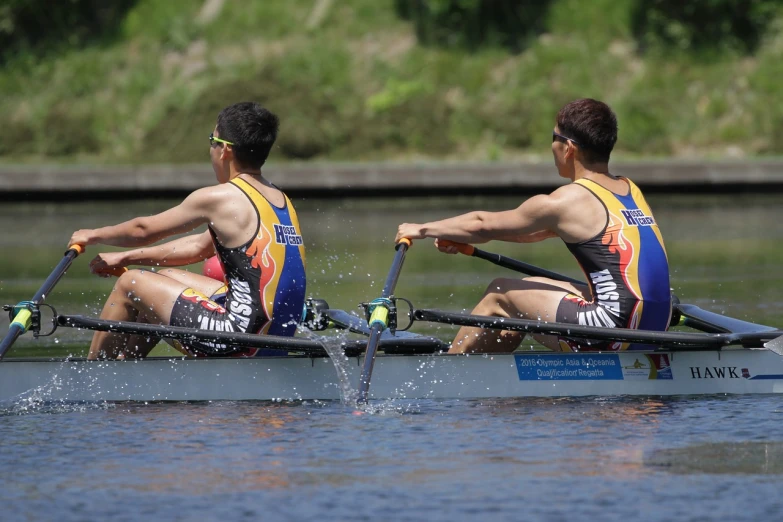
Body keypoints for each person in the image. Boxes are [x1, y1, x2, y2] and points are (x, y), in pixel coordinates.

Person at [395, 98, 671, 353]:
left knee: (500, 292)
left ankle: (450, 374)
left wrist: (422, 229)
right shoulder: (628, 188)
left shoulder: (566, 200)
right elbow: (533, 232)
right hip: (657, 322)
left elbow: (483, 225)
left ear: (568, 148)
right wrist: (456, 236)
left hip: (614, 329)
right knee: (528, 287)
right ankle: (491, 371)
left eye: (553, 138)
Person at [68, 102, 306, 360]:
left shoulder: (221, 197)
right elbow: (198, 247)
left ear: (225, 150)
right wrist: (124, 257)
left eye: (211, 140)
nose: (210, 148)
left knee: (130, 282)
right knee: (167, 276)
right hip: (275, 336)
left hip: (240, 340)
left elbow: (143, 229)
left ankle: (92, 378)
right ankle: (128, 363)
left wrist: (92, 235)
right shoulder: (279, 198)